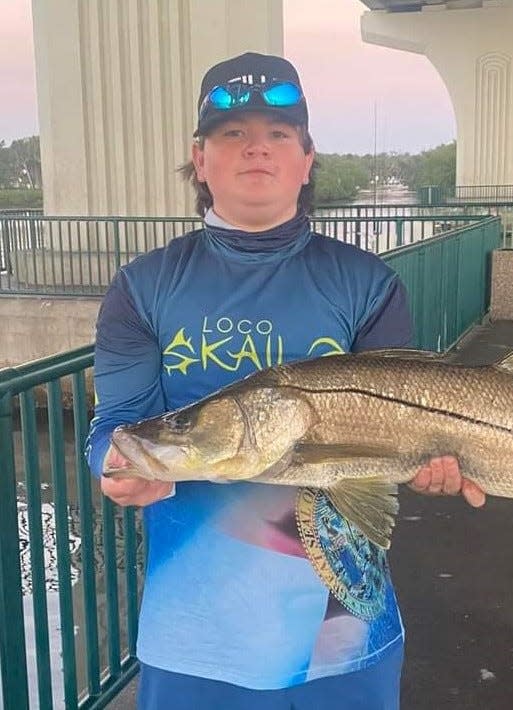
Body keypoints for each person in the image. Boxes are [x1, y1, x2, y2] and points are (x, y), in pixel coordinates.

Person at [85, 52, 485, 709]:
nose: (255, 150)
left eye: (278, 134)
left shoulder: (367, 283)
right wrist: (113, 465)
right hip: (194, 634)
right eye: (232, 134)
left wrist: (426, 464)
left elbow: (404, 429)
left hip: (345, 629)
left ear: (306, 160)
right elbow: (114, 427)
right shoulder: (142, 286)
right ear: (201, 159)